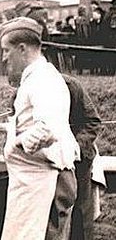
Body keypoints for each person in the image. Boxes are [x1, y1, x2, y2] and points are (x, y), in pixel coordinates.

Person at [0, 17, 80, 240]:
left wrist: (21, 144)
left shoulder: (44, 80)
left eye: (6, 50)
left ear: (22, 49)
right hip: (32, 183)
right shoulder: (34, 78)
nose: (3, 58)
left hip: (46, 185)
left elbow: (46, 129)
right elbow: (27, 124)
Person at [46, 74, 102, 240]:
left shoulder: (71, 86)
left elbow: (92, 121)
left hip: (78, 160)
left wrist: (74, 147)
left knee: (80, 213)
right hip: (46, 160)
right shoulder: (25, 88)